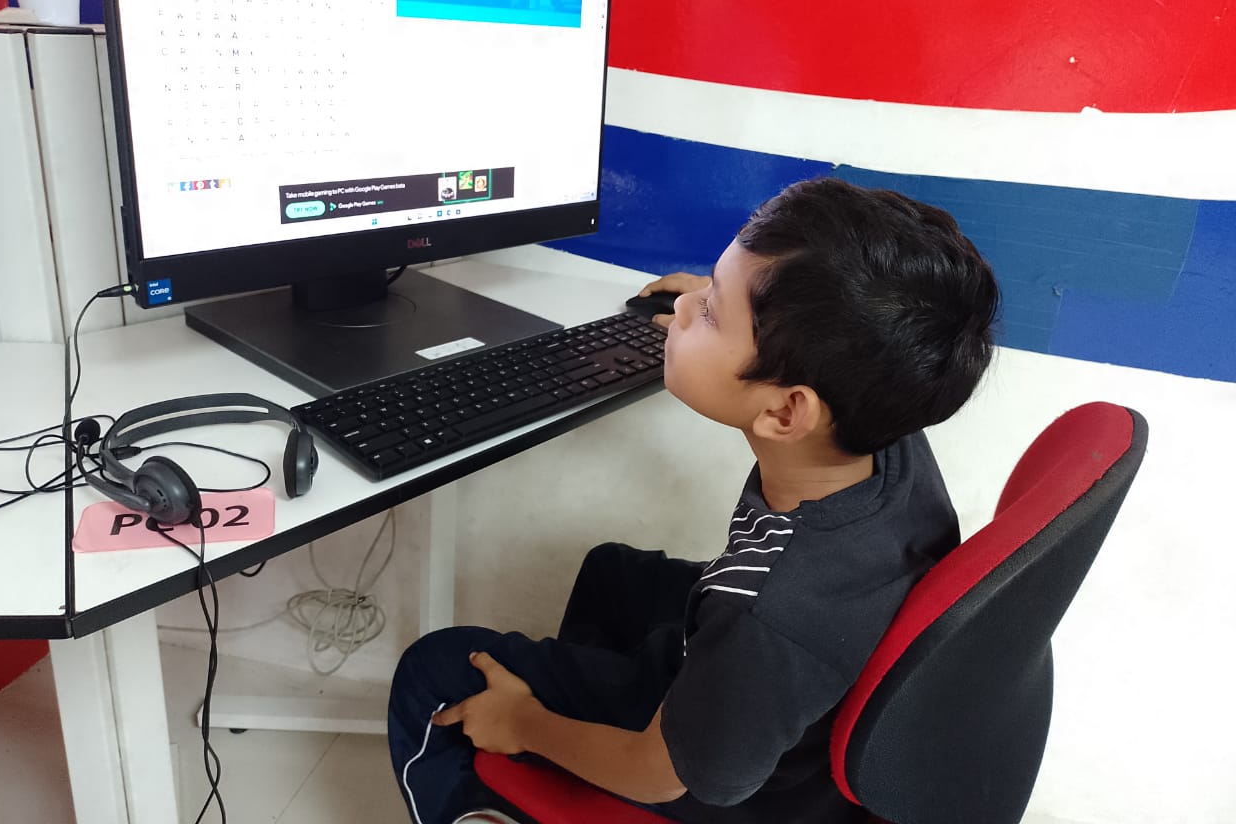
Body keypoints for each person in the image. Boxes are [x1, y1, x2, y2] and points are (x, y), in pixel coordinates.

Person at [388, 177, 1000, 824]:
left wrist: (525, 724)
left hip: (731, 784)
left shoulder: (767, 616)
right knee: (610, 574)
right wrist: (727, 313)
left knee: (437, 671)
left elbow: (659, 778)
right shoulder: (883, 423)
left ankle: (497, 795)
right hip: (783, 699)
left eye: (709, 312)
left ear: (786, 412)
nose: (684, 307)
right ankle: (584, 727)